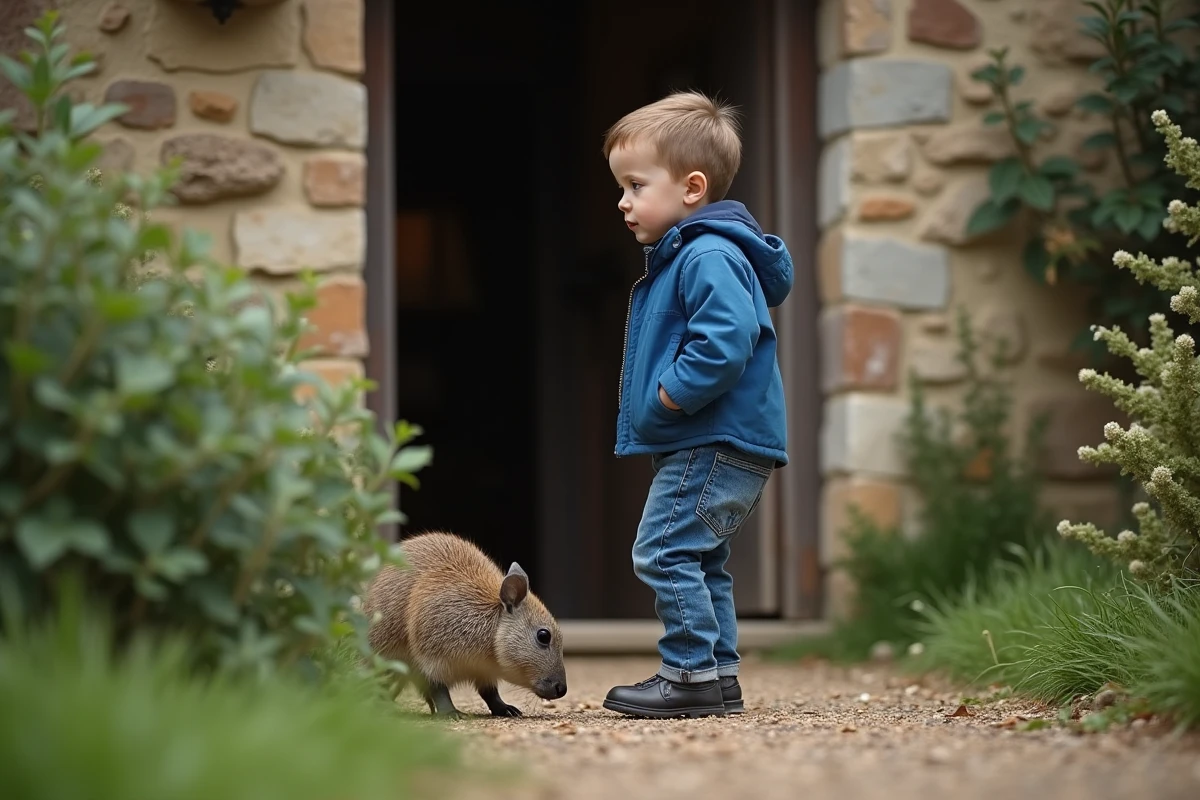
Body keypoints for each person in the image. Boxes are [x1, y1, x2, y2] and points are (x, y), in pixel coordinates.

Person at [600, 90, 794, 719]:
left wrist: (670, 393)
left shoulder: (706, 254)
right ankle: (720, 675)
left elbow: (726, 341)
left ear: (691, 188)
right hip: (717, 438)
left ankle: (688, 676)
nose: (623, 202)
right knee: (703, 556)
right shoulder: (692, 254)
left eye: (635, 185)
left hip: (710, 436)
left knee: (662, 549)